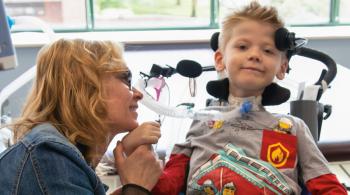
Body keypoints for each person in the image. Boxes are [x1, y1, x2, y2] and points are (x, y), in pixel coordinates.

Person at [151, 2, 347, 195]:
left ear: (282, 67)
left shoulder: (294, 129)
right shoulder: (202, 121)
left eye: (268, 50)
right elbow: (169, 182)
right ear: (220, 60)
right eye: (243, 46)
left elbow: (325, 184)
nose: (254, 55)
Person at [0, 38, 162, 195]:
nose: (139, 94)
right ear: (86, 85)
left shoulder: (56, 157)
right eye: (127, 78)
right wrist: (137, 187)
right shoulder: (49, 156)